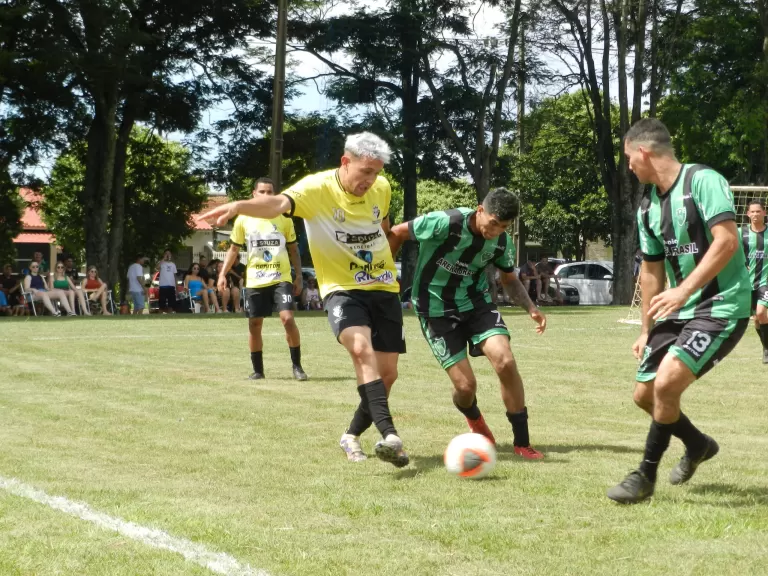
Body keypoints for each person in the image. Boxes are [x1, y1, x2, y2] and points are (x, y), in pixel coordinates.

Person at [199, 132, 408, 468]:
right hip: (341, 288)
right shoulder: (316, 189)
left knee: (388, 376)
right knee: (360, 349)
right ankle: (390, 435)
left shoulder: (381, 189)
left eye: (375, 172)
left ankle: (351, 435)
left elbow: (384, 228)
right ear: (345, 161)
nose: (370, 180)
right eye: (364, 171)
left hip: (383, 289)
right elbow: (278, 204)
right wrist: (238, 205)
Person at [607, 118, 750, 504]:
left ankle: (644, 477)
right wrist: (645, 329)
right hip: (680, 309)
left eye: (628, 158)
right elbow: (652, 271)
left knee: (667, 384)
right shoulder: (647, 206)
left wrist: (684, 289)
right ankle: (697, 443)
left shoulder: (703, 181)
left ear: (644, 151)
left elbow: (727, 241)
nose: (629, 166)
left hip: (722, 304)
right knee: (644, 395)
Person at [388, 188, 547, 459]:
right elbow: (397, 232)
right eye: (493, 223)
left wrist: (530, 307)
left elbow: (508, 279)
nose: (495, 231)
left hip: (476, 305)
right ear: (480, 210)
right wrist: (386, 274)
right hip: (435, 309)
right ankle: (475, 420)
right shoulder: (445, 222)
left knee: (505, 361)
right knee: (465, 388)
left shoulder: (500, 242)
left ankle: (522, 442)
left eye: (504, 227)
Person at [217, 177, 308, 380]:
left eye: (270, 192)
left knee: (288, 318)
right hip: (255, 280)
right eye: (262, 192)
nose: (266, 195)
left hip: (280, 278)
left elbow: (293, 250)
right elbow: (233, 250)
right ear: (254, 194)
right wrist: (222, 274)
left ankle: (297, 367)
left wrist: (299, 276)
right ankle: (258, 370)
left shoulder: (284, 218)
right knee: (254, 324)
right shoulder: (243, 219)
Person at [740, 200, 768, 363]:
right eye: (753, 212)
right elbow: (731, 251)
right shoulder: (741, 233)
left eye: (759, 211)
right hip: (748, 283)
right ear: (748, 214)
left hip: (766, 281)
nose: (756, 214)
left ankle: (767, 349)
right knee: (757, 319)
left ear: (764, 213)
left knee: (760, 312)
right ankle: (765, 345)